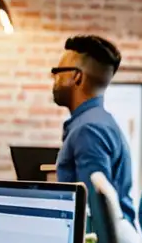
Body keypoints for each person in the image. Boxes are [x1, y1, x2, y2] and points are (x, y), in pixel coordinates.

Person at [52, 35, 134, 223]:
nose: (54, 78)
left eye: (57, 71)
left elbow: (93, 216)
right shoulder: (96, 121)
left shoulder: (88, 129)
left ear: (76, 76)